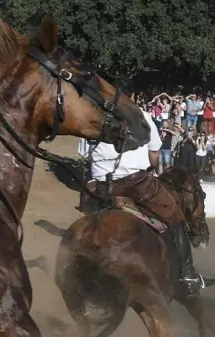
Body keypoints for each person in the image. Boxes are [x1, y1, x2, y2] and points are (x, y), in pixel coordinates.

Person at [79, 109, 205, 294]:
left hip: (102, 187)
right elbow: (154, 153)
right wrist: (152, 169)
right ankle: (187, 275)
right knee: (176, 216)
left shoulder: (88, 114)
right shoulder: (141, 114)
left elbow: (84, 155)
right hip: (136, 183)